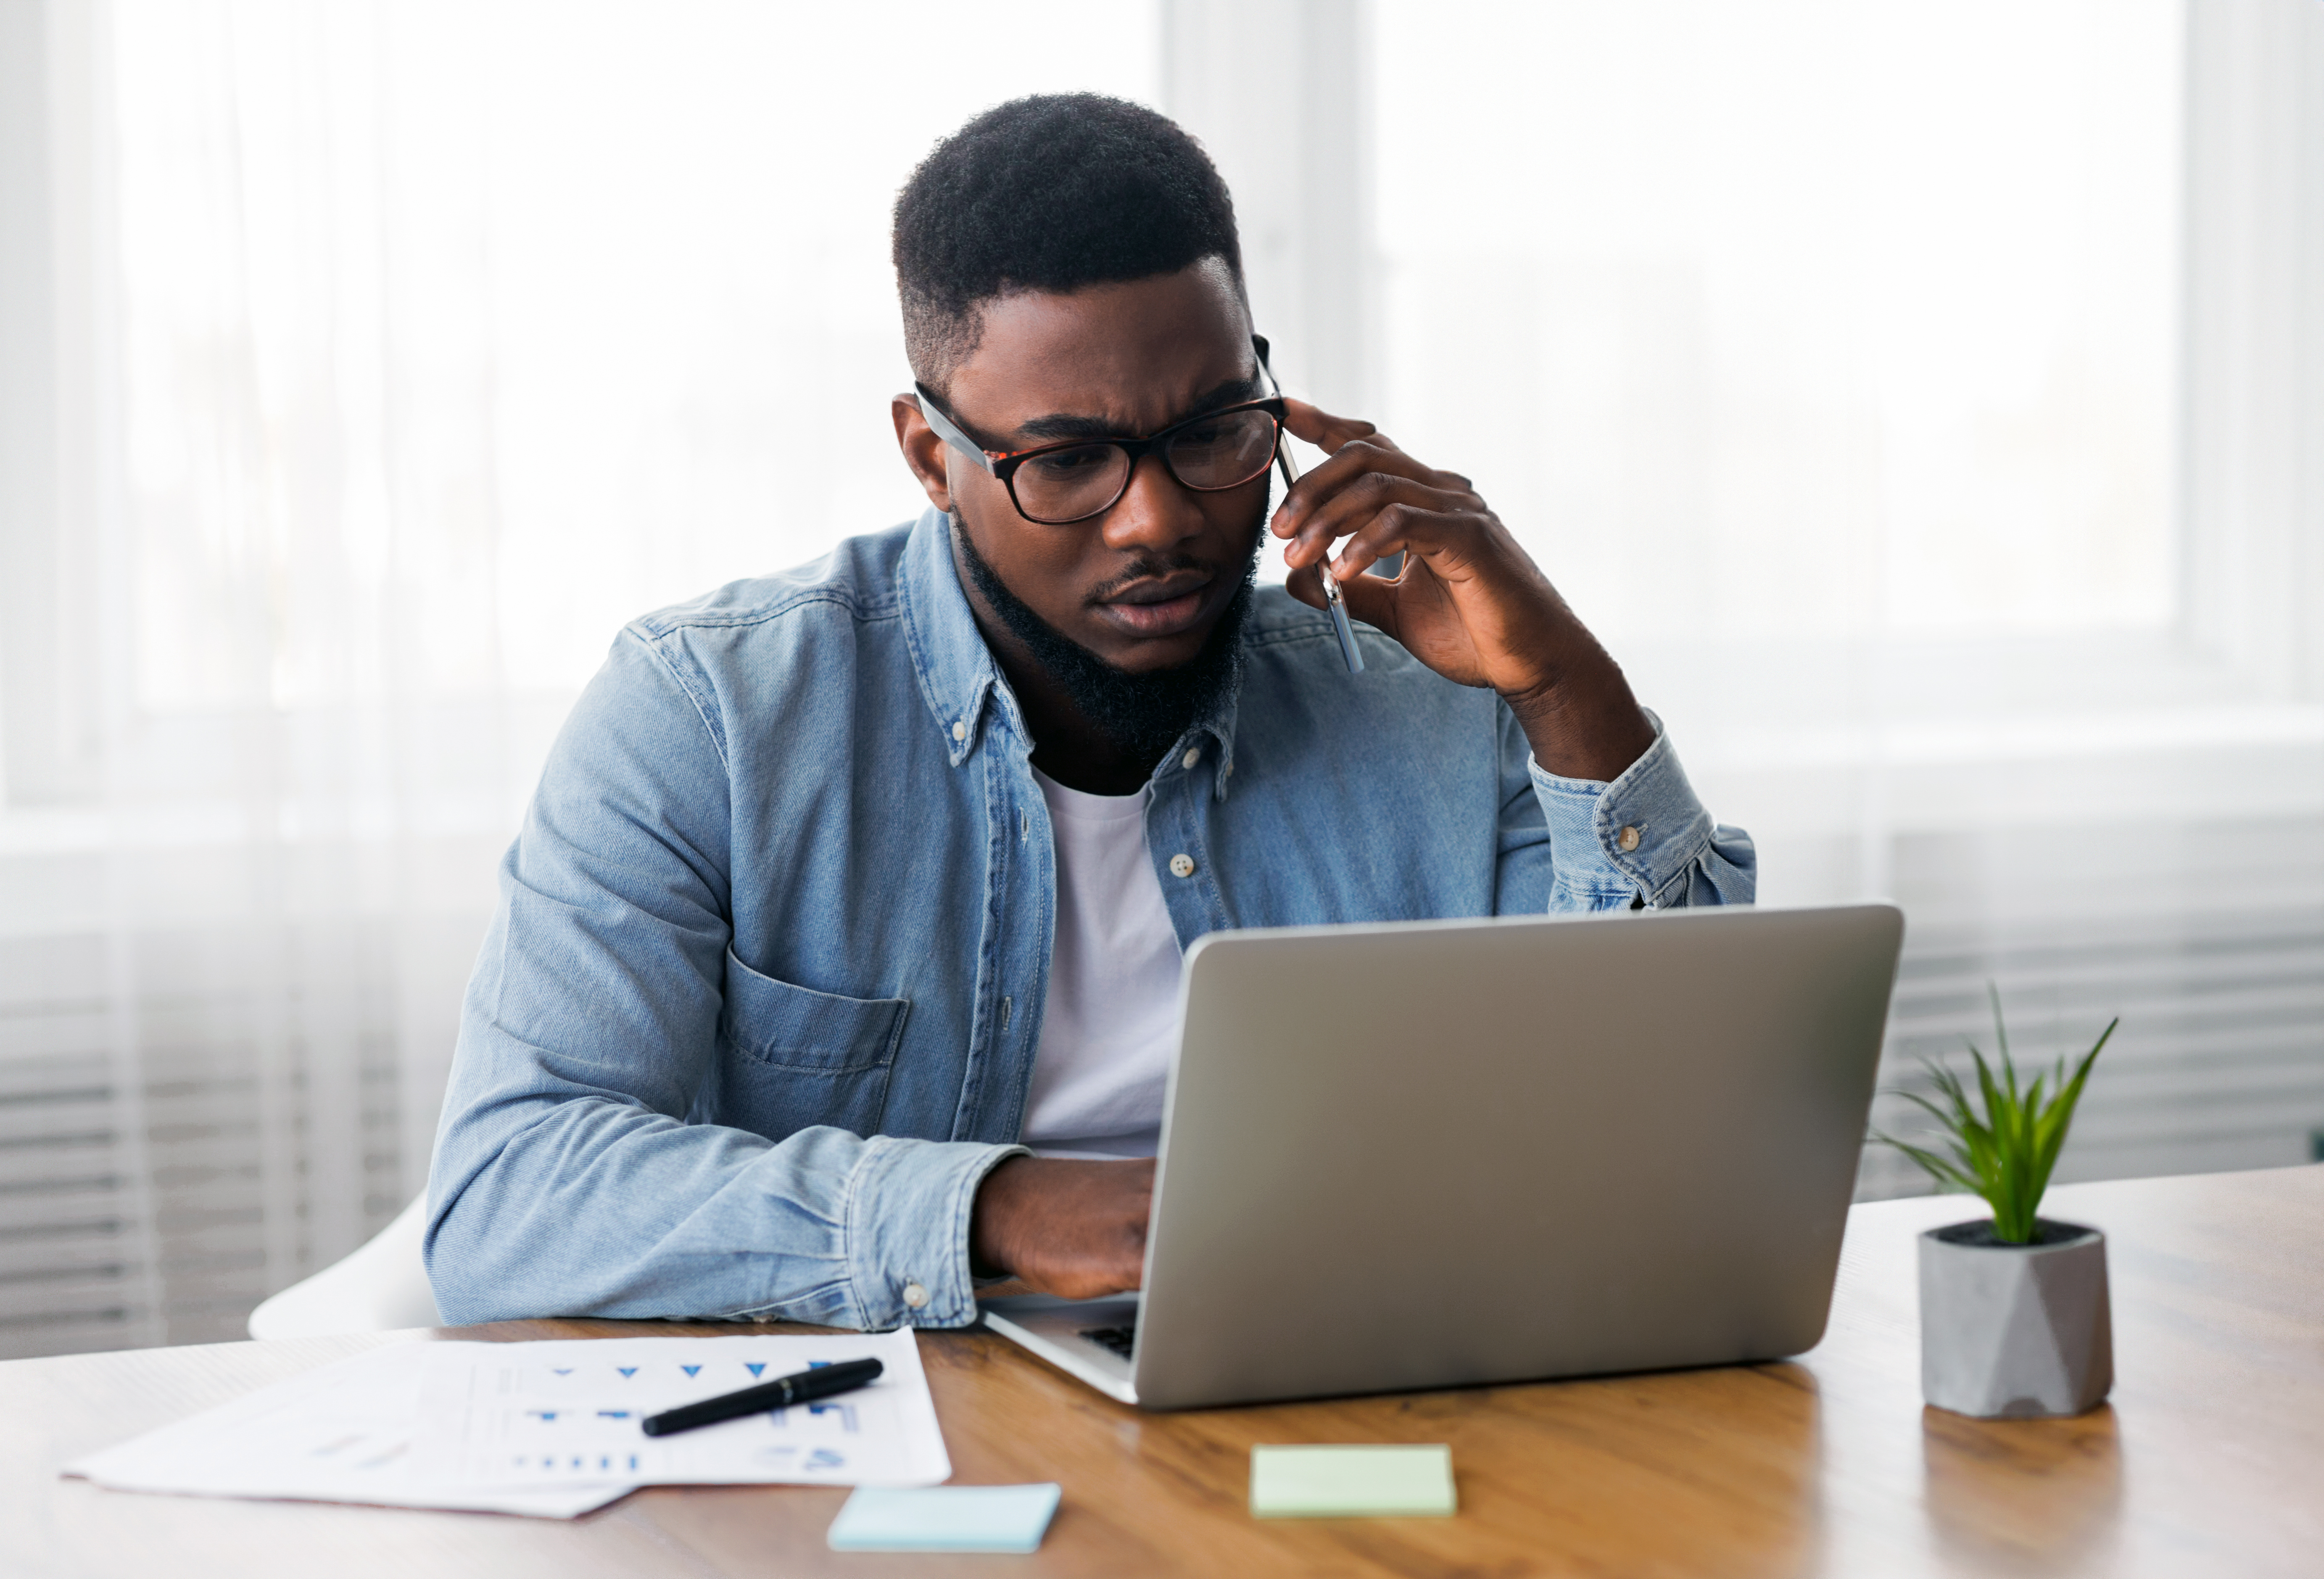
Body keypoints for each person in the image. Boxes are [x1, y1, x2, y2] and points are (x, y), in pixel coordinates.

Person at [425, 94, 1754, 1328]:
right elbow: (510, 1189)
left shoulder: (1429, 687)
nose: (1161, 517)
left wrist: (1567, 690)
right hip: (903, 1426)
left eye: (1215, 429)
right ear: (928, 454)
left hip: (1360, 1380)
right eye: (1066, 459)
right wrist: (996, 1207)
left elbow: (1683, 1139)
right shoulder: (713, 715)